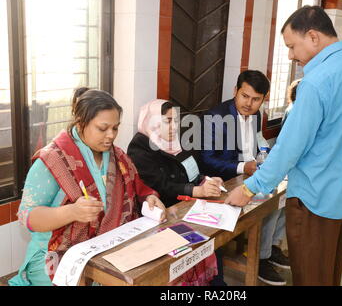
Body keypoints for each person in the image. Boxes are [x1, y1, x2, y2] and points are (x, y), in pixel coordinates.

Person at [225, 6, 342, 286]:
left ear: (312, 36)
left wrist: (250, 188)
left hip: (316, 201)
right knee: (330, 275)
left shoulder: (316, 81)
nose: (290, 56)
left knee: (310, 278)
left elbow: (290, 147)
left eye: (291, 46)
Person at [9, 88, 166, 286]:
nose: (111, 135)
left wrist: (149, 197)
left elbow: (139, 189)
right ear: (81, 122)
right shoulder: (53, 160)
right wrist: (71, 212)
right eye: (103, 128)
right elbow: (28, 217)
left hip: (107, 250)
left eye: (115, 128)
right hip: (57, 257)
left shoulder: (118, 157)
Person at [200, 70, 290, 286]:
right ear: (235, 92)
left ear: (263, 99)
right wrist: (244, 166)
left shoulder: (257, 115)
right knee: (267, 204)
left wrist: (263, 156)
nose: (249, 104)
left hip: (249, 174)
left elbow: (255, 142)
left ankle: (270, 248)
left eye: (256, 99)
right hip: (223, 182)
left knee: (287, 192)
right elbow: (207, 160)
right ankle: (261, 257)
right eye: (244, 96)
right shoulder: (217, 117)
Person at [127, 99, 224, 286]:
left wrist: (207, 180)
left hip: (184, 206)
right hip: (163, 214)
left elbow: (190, 172)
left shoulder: (175, 142)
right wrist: (198, 190)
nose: (173, 127)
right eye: (167, 121)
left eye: (176, 121)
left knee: (213, 236)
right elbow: (161, 185)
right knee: (198, 240)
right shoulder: (140, 147)